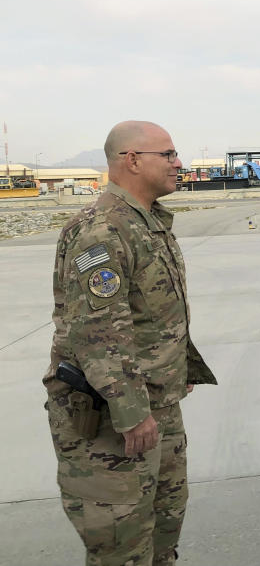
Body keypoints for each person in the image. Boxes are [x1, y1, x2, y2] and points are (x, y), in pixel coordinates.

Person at [42, 120, 217, 564]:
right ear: (132, 160)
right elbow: (98, 333)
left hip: (156, 404)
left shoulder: (148, 223)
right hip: (114, 419)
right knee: (122, 549)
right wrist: (133, 412)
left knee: (162, 533)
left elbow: (151, 315)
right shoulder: (102, 230)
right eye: (169, 154)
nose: (179, 163)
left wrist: (177, 371)